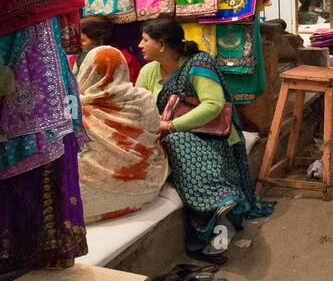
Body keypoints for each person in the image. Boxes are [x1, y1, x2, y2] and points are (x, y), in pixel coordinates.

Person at [136, 17, 274, 256]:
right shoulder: (148, 71)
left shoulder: (199, 64)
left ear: (161, 44)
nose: (139, 45)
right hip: (164, 134)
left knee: (179, 142)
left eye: (145, 40)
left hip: (211, 136)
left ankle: (220, 202)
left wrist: (172, 126)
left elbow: (213, 105)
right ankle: (219, 208)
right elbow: (140, 107)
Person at [77, 45, 169, 223]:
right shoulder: (143, 99)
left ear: (87, 71)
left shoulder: (78, 107)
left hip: (87, 198)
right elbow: (154, 136)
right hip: (143, 187)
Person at [79, 15, 142, 82]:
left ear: (100, 40)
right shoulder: (78, 58)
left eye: (83, 40)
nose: (79, 44)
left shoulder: (124, 59)